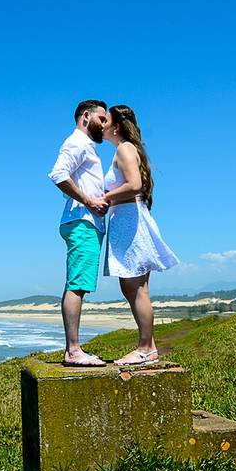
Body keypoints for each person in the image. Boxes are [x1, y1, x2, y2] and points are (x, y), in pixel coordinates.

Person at [101, 105, 179, 365]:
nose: (101, 125)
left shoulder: (124, 148)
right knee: (136, 287)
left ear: (116, 126)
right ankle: (150, 347)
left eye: (105, 120)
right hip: (129, 217)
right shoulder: (127, 149)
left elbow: (135, 185)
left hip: (128, 219)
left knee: (134, 288)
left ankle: (145, 348)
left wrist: (104, 197)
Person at [48, 99, 110, 367]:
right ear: (86, 116)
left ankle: (72, 349)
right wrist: (89, 201)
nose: (105, 124)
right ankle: (73, 351)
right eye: (102, 119)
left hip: (82, 222)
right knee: (77, 285)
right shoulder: (77, 142)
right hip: (82, 221)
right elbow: (58, 174)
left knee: (77, 284)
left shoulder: (85, 146)